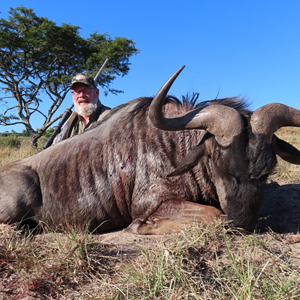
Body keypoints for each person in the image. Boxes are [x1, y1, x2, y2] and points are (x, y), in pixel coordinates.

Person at [53, 73, 111, 144]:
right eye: (77, 92)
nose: (81, 95)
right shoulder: (69, 124)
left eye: (86, 90)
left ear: (97, 92)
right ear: (72, 95)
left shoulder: (110, 116)